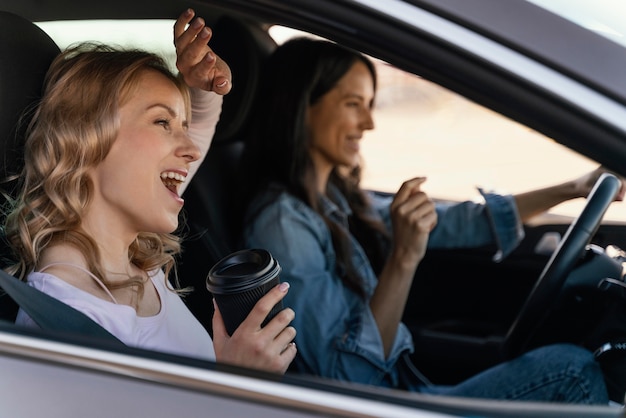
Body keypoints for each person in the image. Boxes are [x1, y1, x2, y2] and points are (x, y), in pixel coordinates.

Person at [239, 37, 619, 402]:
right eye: (354, 104)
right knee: (571, 371)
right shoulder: (283, 224)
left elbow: (460, 222)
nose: (369, 123)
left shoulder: (334, 198)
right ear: (302, 106)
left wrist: (574, 187)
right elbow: (346, 379)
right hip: (375, 405)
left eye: (370, 104)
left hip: (402, 388)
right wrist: (404, 257)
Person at [4, 10, 297, 374]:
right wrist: (244, 384)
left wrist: (199, 84)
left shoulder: (133, 258)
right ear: (88, 139)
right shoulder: (63, 327)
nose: (190, 149)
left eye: (182, 126)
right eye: (162, 122)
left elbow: (200, 129)